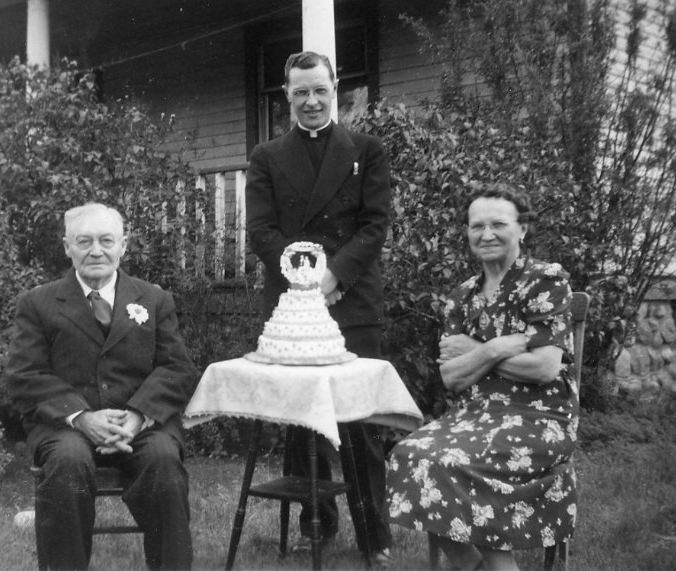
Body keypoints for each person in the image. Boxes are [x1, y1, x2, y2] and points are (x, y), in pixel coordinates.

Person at [245, 51, 392, 567]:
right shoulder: (266, 155)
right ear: (286, 95)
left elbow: (374, 225)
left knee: (361, 425)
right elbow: (262, 231)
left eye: (320, 91)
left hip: (352, 301)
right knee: (301, 426)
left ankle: (376, 537)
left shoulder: (367, 150)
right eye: (300, 92)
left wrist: (332, 277)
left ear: (336, 90)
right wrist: (303, 282)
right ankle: (314, 527)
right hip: (291, 304)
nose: (311, 101)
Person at [387, 184, 577, 571]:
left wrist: (474, 351)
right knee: (409, 454)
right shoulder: (462, 295)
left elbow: (544, 368)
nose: (486, 234)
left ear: (522, 229)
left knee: (448, 461)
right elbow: (451, 378)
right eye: (477, 226)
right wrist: (496, 347)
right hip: (473, 415)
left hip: (539, 419)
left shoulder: (545, 280)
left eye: (497, 224)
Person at [6, 203, 197, 570]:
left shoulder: (154, 300)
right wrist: (81, 417)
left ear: (123, 245)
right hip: (66, 428)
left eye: (106, 240)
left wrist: (139, 415)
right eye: (84, 241)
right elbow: (24, 375)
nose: (96, 250)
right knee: (67, 462)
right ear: (67, 247)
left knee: (163, 460)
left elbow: (177, 368)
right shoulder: (38, 303)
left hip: (140, 426)